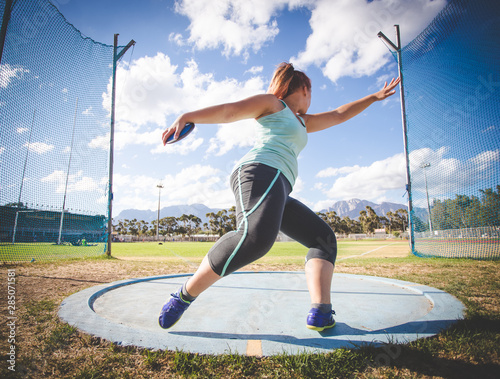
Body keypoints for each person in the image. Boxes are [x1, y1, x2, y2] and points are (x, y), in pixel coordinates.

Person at [160, 62, 400, 331]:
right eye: (312, 93)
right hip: (259, 172)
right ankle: (182, 297)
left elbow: (338, 114)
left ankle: (321, 312)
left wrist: (373, 97)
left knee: (323, 240)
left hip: (279, 186)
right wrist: (187, 115)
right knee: (255, 239)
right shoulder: (273, 104)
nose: (313, 100)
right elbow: (230, 111)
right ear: (305, 90)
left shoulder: (302, 121)